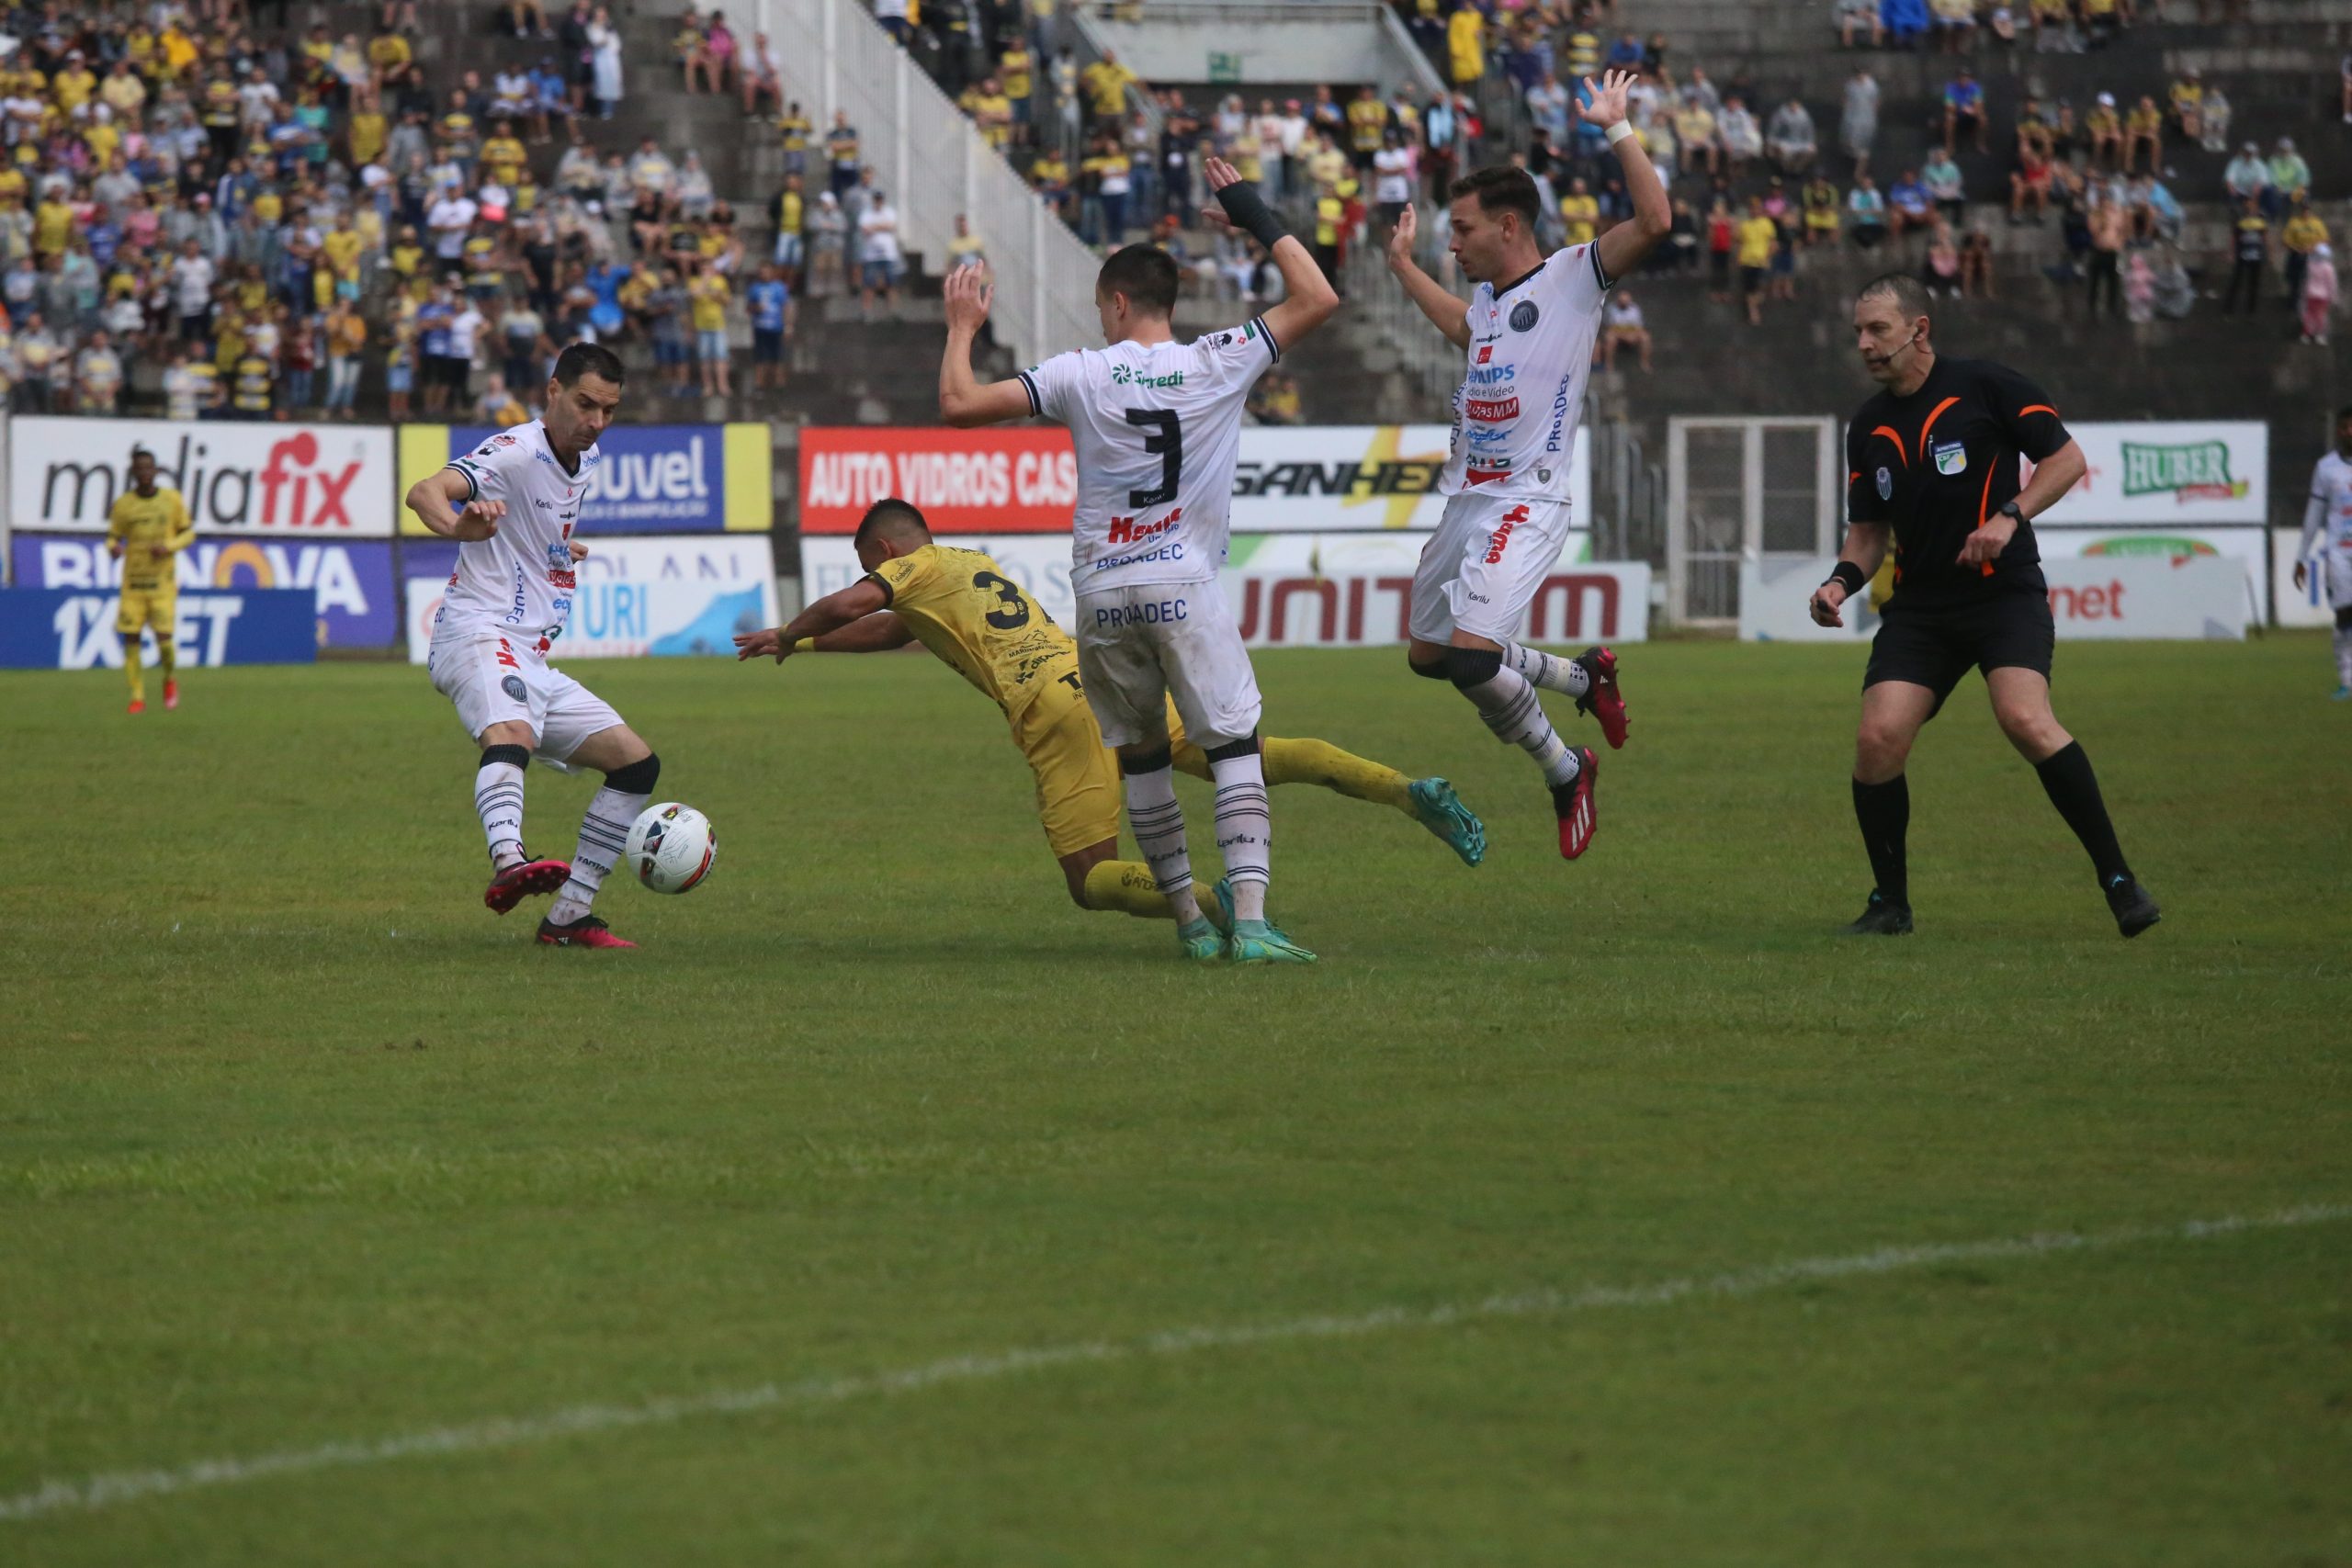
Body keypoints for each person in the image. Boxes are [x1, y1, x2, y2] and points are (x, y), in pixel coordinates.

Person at [933, 158, 1340, 963]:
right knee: (1232, 746)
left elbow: (959, 406)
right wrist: (1250, 211)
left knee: (1145, 756)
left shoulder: (1079, 372)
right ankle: (1251, 923)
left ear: (1116, 303)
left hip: (1103, 591)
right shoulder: (1217, 358)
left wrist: (960, 330)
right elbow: (1319, 297)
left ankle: (1190, 923)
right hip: (1183, 582)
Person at [734, 502, 1487, 918]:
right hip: (1099, 682)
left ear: (886, 544)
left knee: (1087, 881)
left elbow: (853, 602)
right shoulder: (966, 565)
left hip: (1052, 713)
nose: (874, 571)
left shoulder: (913, 565)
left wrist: (792, 627)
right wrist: (800, 649)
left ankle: (1211, 902)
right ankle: (1403, 789)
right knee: (1251, 756)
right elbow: (889, 629)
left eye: (873, 557)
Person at [1809, 274, 2159, 939]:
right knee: (1876, 739)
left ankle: (2119, 880)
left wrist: (2009, 515)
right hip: (1922, 609)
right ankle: (1891, 904)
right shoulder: (1868, 425)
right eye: (1859, 331)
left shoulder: (1988, 386)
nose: (1865, 344)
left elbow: (2066, 459)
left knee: (2025, 718)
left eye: (1878, 329)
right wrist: (1837, 584)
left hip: (2003, 594)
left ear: (1920, 330)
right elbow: (1868, 535)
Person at [1381, 69, 1658, 863]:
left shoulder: (1575, 276)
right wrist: (1403, 270)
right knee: (1429, 657)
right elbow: (1468, 333)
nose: (1453, 242)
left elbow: (1656, 217)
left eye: (1462, 229)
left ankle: (1567, 770)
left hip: (1525, 502)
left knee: (1472, 657)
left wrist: (1617, 129)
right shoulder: (1493, 304)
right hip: (1466, 500)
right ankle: (1580, 679)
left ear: (1509, 225)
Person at [404, 342, 659, 949]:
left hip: (530, 653)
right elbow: (425, 492)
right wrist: (458, 525)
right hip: (476, 631)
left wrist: (554, 551)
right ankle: (508, 861)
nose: (595, 421)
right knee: (510, 734)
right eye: (584, 404)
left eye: (608, 410)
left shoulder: (586, 456)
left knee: (635, 764)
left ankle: (570, 916)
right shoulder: (517, 450)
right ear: (552, 392)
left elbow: (537, 525)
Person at [106, 447, 195, 716]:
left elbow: (189, 533)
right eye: (139, 468)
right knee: (130, 638)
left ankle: (169, 679)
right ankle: (137, 696)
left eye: (148, 468)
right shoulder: (123, 505)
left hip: (161, 584)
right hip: (133, 583)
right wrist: (112, 548)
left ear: (156, 471)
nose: (144, 473)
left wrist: (168, 546)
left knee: (164, 642)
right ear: (133, 472)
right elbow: (113, 536)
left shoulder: (172, 500)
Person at [2293, 404, 2352, 698]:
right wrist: (2301, 557)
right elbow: (2314, 515)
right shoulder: (2326, 468)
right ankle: (2346, 680)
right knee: (2344, 614)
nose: (2349, 432)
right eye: (2344, 427)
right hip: (2339, 552)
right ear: (2338, 431)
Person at [2302, 242, 2338, 348]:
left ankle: (2307, 334)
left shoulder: (2310, 265)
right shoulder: (2329, 268)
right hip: (2323, 296)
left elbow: (2307, 279)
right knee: (2321, 315)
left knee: (2309, 314)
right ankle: (2320, 335)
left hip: (2310, 293)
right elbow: (2331, 283)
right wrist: (2333, 296)